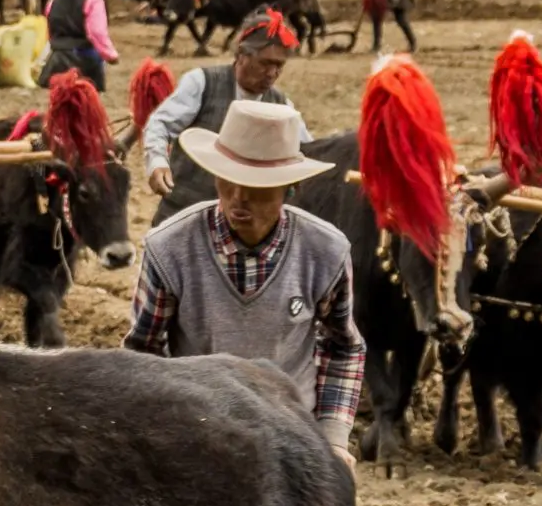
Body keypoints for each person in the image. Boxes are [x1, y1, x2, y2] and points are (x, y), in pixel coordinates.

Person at [121, 99, 363, 464]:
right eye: (228, 183)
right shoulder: (169, 248)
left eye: (257, 188)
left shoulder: (325, 251)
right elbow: (143, 352)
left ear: (290, 188)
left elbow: (343, 347)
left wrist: (333, 438)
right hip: (198, 431)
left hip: (291, 436)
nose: (238, 200)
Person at [139, 9, 308, 226]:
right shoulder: (202, 83)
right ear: (241, 54)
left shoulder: (281, 105)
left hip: (243, 225)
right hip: (184, 214)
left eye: (279, 66)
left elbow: (307, 149)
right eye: (266, 63)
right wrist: (157, 162)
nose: (272, 73)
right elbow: (160, 124)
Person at [37, 0, 119, 90]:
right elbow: (96, 33)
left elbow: (50, 34)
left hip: (57, 61)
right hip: (84, 62)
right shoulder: (94, 1)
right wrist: (111, 55)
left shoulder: (52, 3)